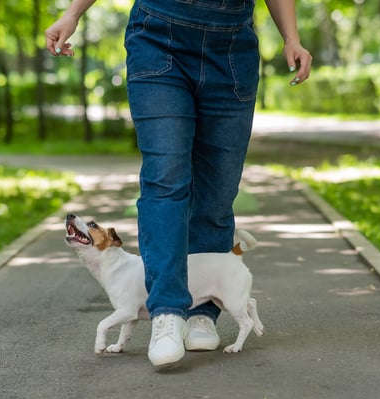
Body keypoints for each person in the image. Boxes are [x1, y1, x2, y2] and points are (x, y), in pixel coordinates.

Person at [46, 0, 312, 368]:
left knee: (218, 189)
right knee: (165, 179)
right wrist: (72, 13)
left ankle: (202, 309)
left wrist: (291, 37)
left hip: (231, 47)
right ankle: (167, 312)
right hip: (159, 38)